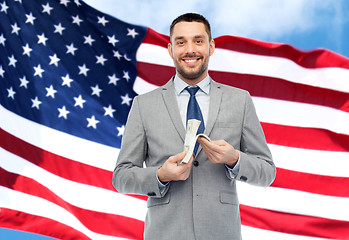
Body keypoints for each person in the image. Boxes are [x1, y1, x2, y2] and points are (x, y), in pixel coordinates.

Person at [112, 13, 276, 240]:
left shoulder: (240, 100)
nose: (190, 50)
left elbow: (267, 172)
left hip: (221, 233)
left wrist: (234, 159)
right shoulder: (143, 105)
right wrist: (160, 175)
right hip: (165, 233)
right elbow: (121, 177)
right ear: (170, 50)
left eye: (198, 41)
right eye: (181, 42)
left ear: (211, 47)